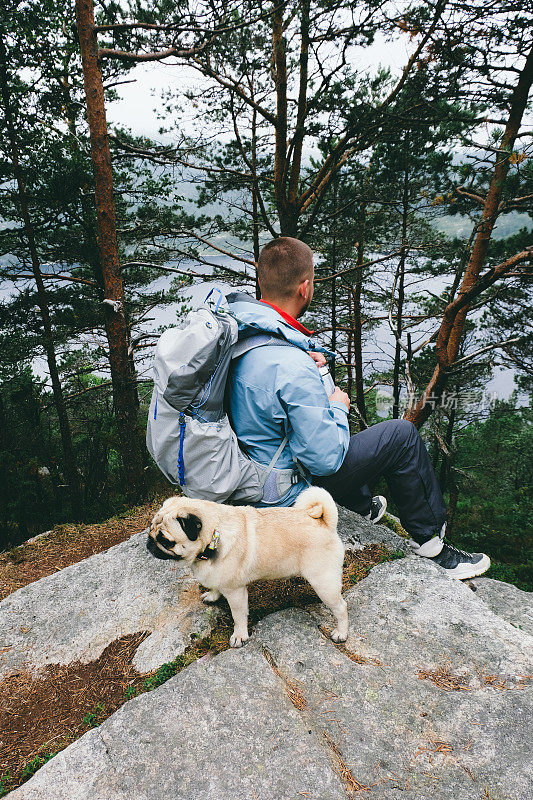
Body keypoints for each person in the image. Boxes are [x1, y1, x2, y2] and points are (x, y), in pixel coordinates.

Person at [227, 236, 491, 580]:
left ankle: (362, 508)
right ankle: (433, 548)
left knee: (326, 430)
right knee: (400, 435)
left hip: (247, 473)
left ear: (262, 282)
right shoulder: (288, 363)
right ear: (305, 288)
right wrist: (337, 406)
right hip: (281, 495)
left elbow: (277, 414)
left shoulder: (240, 331)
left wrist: (319, 372)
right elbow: (324, 459)